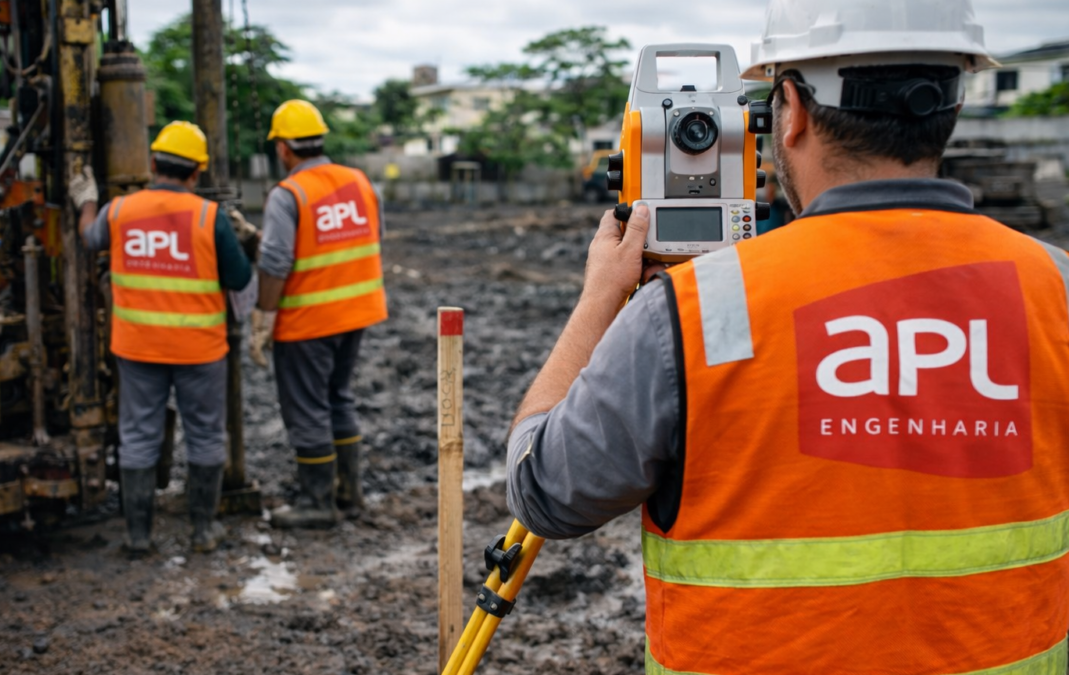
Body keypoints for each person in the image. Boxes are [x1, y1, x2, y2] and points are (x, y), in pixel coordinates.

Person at [506, 1, 1069, 673]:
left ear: (792, 110)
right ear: (954, 99)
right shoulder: (1056, 287)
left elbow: (545, 491)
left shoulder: (691, 312)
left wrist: (601, 299)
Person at [69, 121, 253, 554]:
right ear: (197, 173)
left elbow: (90, 239)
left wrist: (87, 200)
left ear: (153, 164)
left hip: (137, 347)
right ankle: (203, 531)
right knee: (206, 435)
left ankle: (138, 536)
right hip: (199, 350)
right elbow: (240, 276)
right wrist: (242, 242)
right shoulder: (210, 217)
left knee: (138, 435)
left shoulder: (118, 211)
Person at [250, 99, 387, 529]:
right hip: (355, 313)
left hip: (307, 322)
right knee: (338, 398)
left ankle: (316, 502)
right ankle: (349, 495)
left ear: (284, 149)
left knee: (307, 408)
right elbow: (362, 238)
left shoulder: (287, 194)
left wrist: (262, 319)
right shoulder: (359, 181)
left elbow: (275, 263)